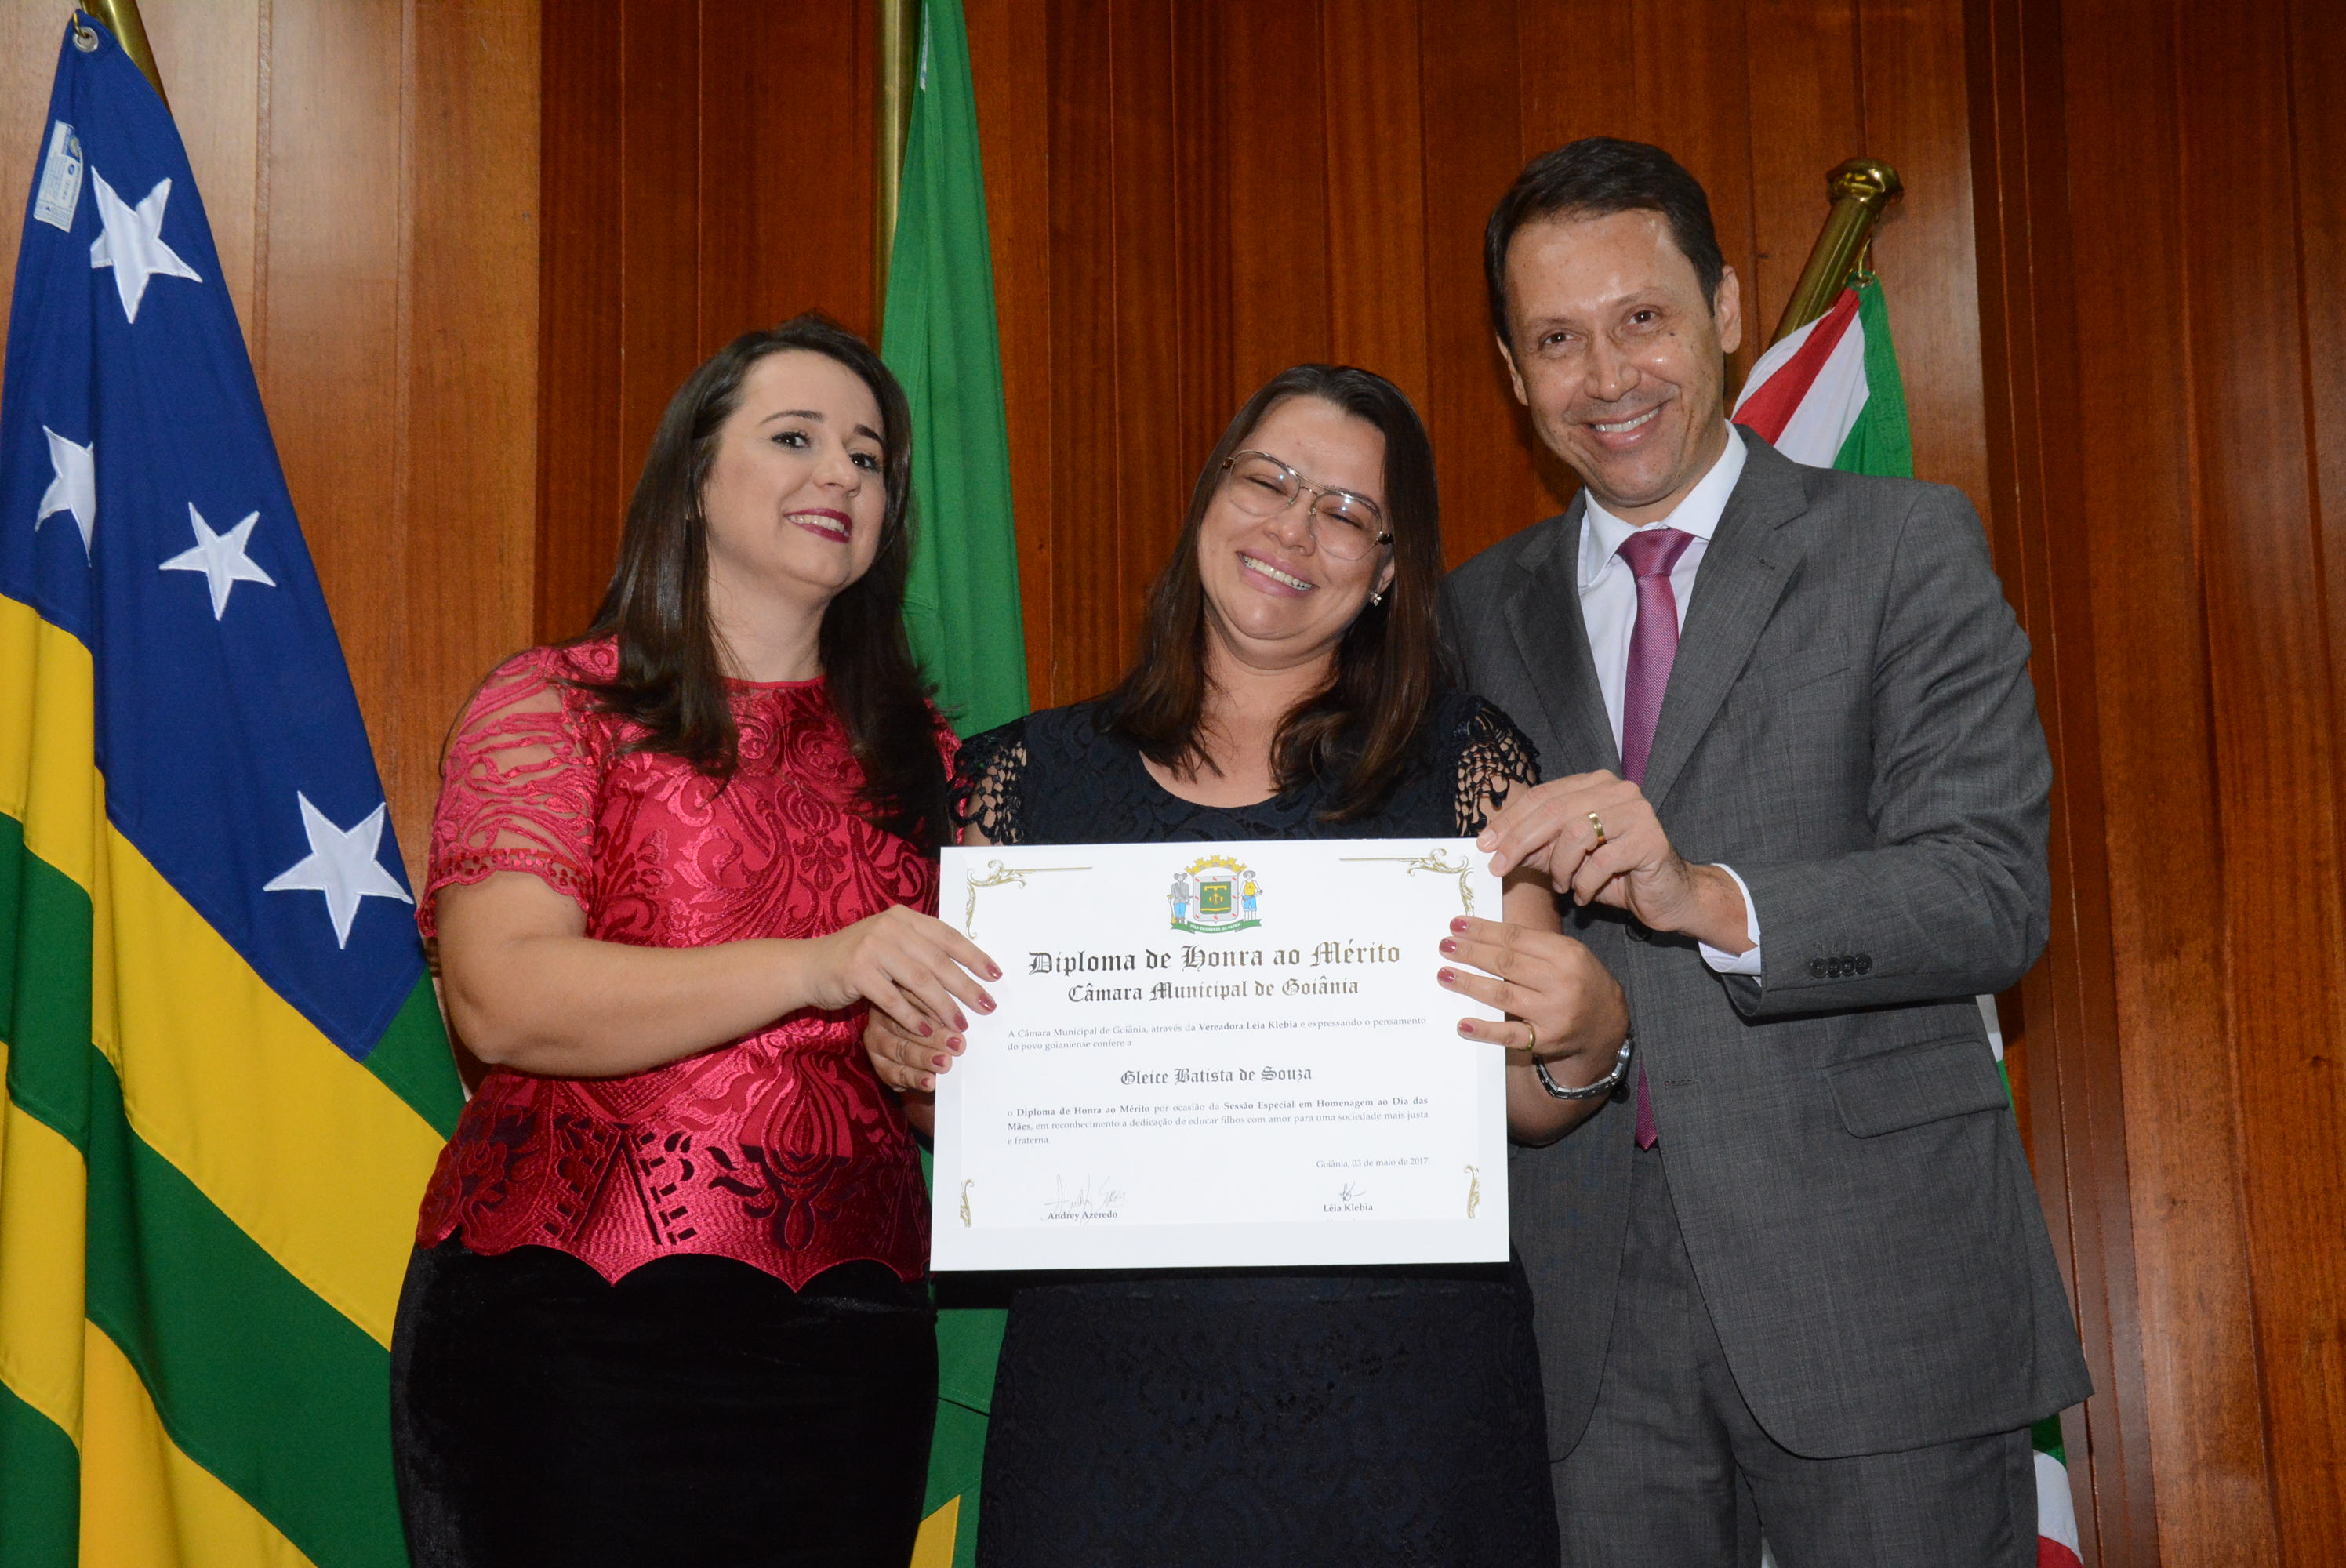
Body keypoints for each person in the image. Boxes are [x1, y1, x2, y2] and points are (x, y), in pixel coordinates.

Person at [1442, 137, 2090, 1566]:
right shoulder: (1466, 617)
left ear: (1727, 308)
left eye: (1642, 318)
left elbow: (1990, 892)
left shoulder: (1903, 545)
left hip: (1876, 1287)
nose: (1607, 376)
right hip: (1580, 1327)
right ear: (1512, 371)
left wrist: (1705, 898)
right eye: (1557, 339)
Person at [868, 365, 1630, 1566]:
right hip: (1109, 1409)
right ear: (1209, 501)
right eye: (1267, 480)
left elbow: (1528, 1101)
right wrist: (918, 1065)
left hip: (1405, 1410)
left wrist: (1591, 1032)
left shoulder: (1463, 765)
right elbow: (969, 1107)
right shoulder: (1022, 784)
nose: (1293, 527)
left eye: (1346, 511)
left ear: (1389, 570)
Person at [389, 315, 999, 1567]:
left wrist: (924, 1069)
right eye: (796, 439)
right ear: (694, 482)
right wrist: (819, 963)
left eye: (869, 457)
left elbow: (959, 1087)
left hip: (851, 1351)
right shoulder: (556, 705)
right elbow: (500, 1000)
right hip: (564, 1334)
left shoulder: (935, 764)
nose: (841, 475)